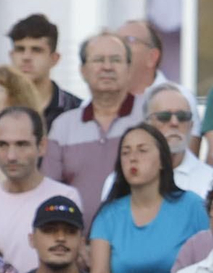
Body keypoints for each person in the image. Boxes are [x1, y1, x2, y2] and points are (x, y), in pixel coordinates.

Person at [90, 123, 211, 273]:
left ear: (164, 160)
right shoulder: (108, 215)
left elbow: (210, 270)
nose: (132, 158)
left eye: (142, 150)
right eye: (126, 152)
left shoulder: (193, 207)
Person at [43, 32, 143, 230]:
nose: (107, 67)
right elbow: (49, 190)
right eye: (98, 60)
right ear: (82, 70)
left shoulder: (148, 117)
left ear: (129, 69)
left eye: (115, 60)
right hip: (77, 244)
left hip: (138, 239)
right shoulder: (63, 126)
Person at [0, 107, 82, 273]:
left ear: (42, 146)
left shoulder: (65, 198)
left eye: (21, 144)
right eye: (2, 145)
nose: (11, 156)